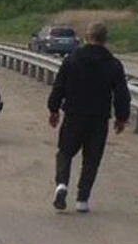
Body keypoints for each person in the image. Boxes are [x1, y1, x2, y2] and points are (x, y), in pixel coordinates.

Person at [47, 22, 131, 213]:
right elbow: (121, 94)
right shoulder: (113, 64)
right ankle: (82, 199)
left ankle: (61, 185)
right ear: (105, 39)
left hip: (74, 115)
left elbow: (59, 86)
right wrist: (121, 117)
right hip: (98, 119)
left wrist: (53, 109)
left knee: (65, 152)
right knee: (92, 159)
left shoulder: (72, 60)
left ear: (86, 37)